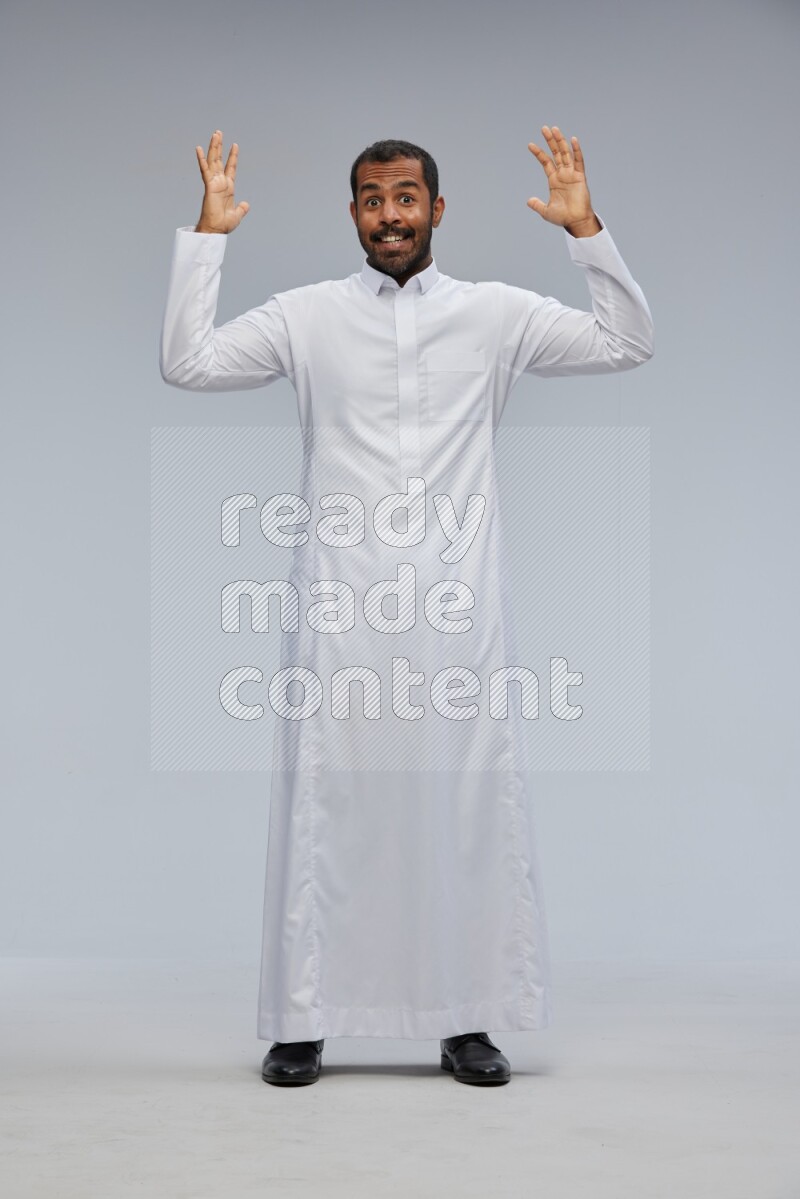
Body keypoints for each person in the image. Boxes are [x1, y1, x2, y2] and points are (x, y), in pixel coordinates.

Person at [160, 126, 654, 1088]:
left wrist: (585, 229)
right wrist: (208, 238)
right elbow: (189, 361)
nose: (390, 215)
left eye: (406, 197)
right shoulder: (306, 316)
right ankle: (302, 1019)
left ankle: (468, 1019)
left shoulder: (495, 314)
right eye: (373, 199)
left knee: (465, 805)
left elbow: (628, 342)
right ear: (353, 213)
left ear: (436, 209)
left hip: (459, 609)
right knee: (326, 804)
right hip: (338, 604)